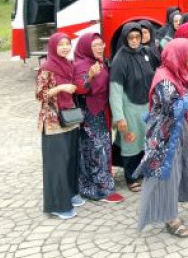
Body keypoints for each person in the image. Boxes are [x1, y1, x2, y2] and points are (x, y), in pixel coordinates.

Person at [135, 39, 188, 237]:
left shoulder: (180, 73)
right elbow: (173, 110)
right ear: (178, 54)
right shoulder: (164, 79)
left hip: (182, 129)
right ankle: (170, 218)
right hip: (165, 135)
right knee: (168, 175)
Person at [74, 33, 124, 203]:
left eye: (101, 44)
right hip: (90, 114)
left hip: (101, 112)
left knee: (101, 149)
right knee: (96, 151)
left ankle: (99, 185)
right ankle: (99, 190)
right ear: (86, 47)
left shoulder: (100, 63)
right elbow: (80, 89)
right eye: (95, 45)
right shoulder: (81, 65)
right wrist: (89, 75)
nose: (99, 48)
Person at [36, 32, 82, 219]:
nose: (64, 47)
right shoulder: (46, 67)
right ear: (53, 46)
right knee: (56, 164)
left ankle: (70, 194)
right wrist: (61, 88)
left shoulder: (68, 65)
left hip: (69, 117)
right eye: (61, 44)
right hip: (53, 121)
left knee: (70, 160)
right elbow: (40, 95)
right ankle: (56, 204)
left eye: (67, 44)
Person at [110, 23, 155, 192]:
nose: (135, 41)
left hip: (146, 105)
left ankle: (142, 171)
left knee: (145, 140)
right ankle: (131, 177)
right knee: (131, 141)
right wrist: (119, 117)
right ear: (125, 38)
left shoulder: (144, 52)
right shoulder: (120, 59)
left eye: (137, 37)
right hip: (129, 107)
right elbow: (115, 90)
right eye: (131, 38)